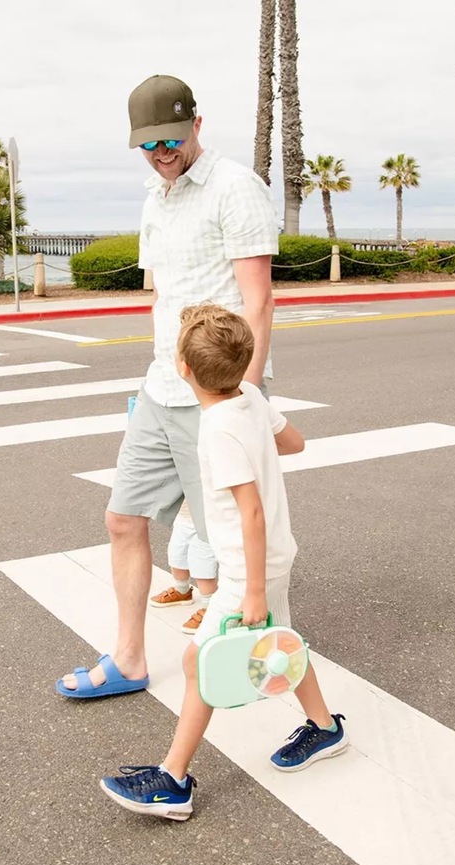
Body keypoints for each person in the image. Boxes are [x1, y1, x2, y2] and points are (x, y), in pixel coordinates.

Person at [57, 74, 279, 698]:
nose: (161, 153)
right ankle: (129, 659)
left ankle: (272, 666)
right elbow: (163, 298)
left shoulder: (236, 189)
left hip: (217, 397)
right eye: (148, 144)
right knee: (124, 519)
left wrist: (246, 400)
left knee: (237, 546)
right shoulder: (155, 198)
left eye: (171, 139)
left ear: (196, 126)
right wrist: (153, 379)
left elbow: (259, 304)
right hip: (162, 389)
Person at [99, 304, 347, 820]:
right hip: (274, 555)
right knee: (281, 640)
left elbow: (250, 511)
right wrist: (261, 439)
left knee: (199, 663)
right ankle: (324, 728)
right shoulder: (251, 397)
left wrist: (251, 589)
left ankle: (173, 781)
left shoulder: (215, 430)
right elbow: (295, 443)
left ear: (182, 368)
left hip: (247, 566)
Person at [149, 500, 219, 635]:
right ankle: (182, 591)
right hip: (184, 513)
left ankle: (209, 608)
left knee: (202, 561)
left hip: (207, 516)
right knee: (177, 553)